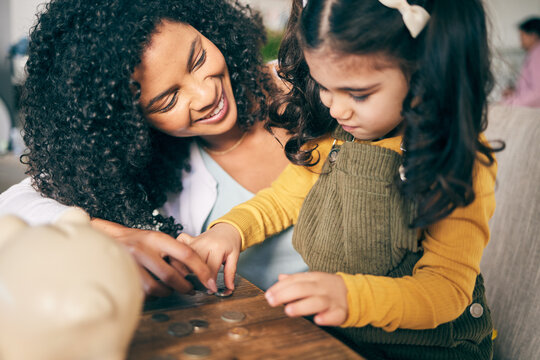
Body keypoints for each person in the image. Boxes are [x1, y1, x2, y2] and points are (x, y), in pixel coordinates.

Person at [181, 0, 501, 358]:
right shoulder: (336, 131)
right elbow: (284, 198)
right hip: (345, 339)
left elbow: (446, 290)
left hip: (434, 349)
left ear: (426, 72)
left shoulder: (459, 157)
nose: (336, 108)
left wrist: (349, 296)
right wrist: (230, 230)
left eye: (359, 94)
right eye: (324, 86)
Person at [0, 0, 307, 296]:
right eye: (168, 100)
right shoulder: (163, 163)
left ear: (205, 27)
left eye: (198, 58)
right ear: (130, 122)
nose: (205, 95)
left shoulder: (318, 84)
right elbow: (13, 205)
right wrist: (117, 235)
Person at [501, 17, 540, 107]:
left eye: (522, 36)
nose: (520, 40)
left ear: (533, 36)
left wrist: (511, 102)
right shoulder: (533, 54)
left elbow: (538, 92)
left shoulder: (537, 54)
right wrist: (515, 92)